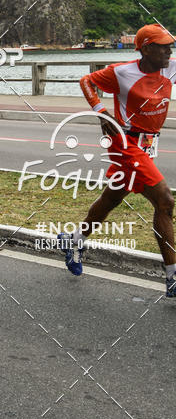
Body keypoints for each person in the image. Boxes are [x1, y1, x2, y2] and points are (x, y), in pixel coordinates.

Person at [59, 23, 176, 296]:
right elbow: (86, 81)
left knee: (112, 198)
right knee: (165, 201)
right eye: (163, 45)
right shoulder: (122, 72)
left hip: (146, 146)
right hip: (124, 143)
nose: (169, 50)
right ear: (146, 48)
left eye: (171, 45)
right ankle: (173, 276)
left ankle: (74, 240)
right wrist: (102, 112)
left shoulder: (170, 67)